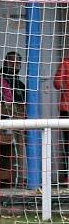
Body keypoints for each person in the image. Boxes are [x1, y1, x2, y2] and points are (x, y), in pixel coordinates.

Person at [53, 54, 69, 184]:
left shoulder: (65, 63)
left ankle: (67, 177)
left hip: (66, 108)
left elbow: (57, 84)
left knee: (67, 144)